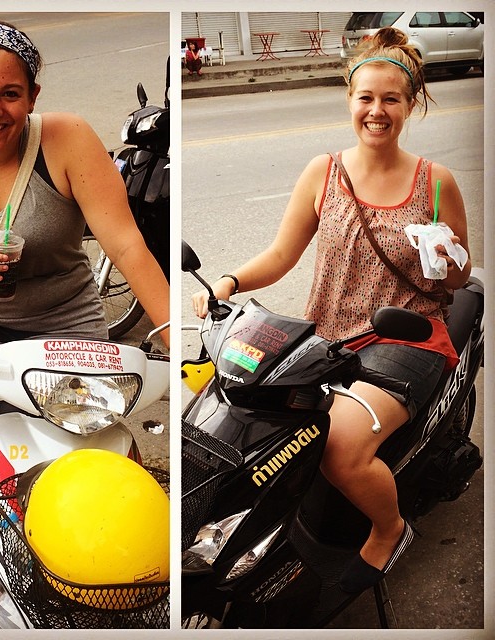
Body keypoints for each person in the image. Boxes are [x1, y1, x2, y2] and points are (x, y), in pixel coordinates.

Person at [192, 27, 471, 593]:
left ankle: (389, 528)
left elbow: (459, 275)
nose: (377, 111)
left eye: (391, 99)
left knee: (340, 450)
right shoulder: (324, 172)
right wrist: (227, 282)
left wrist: (448, 260)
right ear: (349, 100)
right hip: (328, 339)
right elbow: (281, 255)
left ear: (410, 105)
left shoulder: (436, 183)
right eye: (366, 98)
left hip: (407, 337)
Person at [0, 21, 169, 529]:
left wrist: (175, 335)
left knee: (89, 443)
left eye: (10, 93)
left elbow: (126, 244)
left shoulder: (67, 140)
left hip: (64, 320)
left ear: (32, 97)